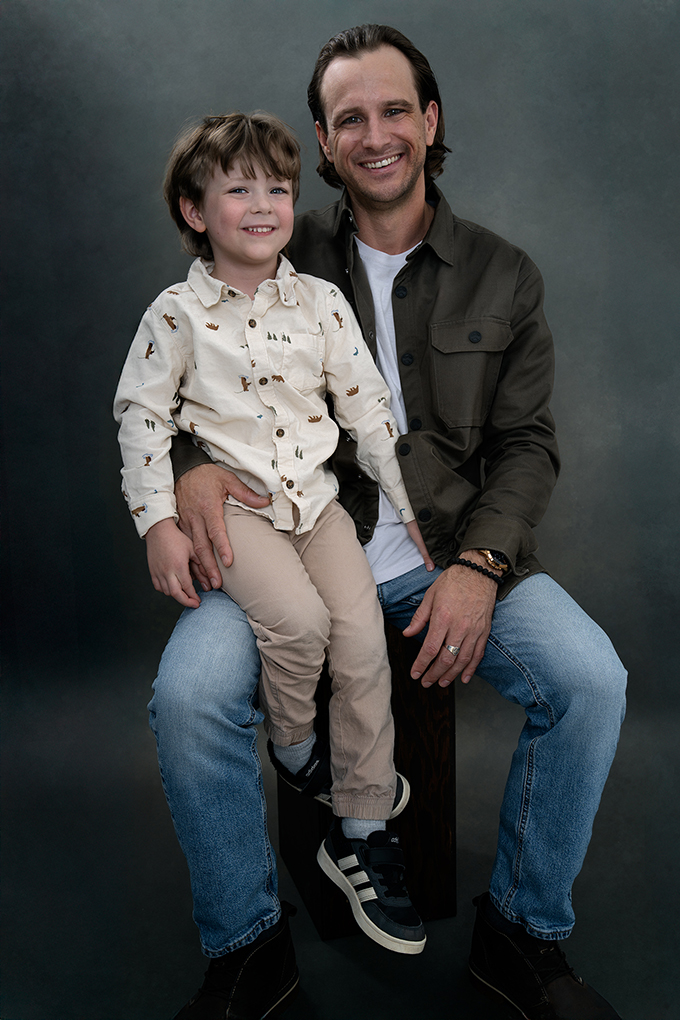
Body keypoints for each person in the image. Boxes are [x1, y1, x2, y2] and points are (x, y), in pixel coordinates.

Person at [152, 25, 627, 1020]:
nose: (376, 134)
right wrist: (191, 473)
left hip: (448, 551)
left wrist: (481, 564)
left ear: (429, 120)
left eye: (394, 109)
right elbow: (190, 373)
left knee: (588, 679)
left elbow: (526, 445)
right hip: (282, 546)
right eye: (349, 118)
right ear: (322, 144)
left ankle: (522, 938)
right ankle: (246, 952)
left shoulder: (503, 274)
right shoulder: (271, 241)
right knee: (191, 697)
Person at [114, 111, 430, 959]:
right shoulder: (176, 314)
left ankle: (362, 823)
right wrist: (156, 522)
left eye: (279, 189)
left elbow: (367, 413)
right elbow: (141, 419)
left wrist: (409, 512)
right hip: (241, 511)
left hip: (319, 504)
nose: (263, 205)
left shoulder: (321, 303)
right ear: (193, 209)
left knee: (363, 637)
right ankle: (295, 750)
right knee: (299, 625)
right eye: (238, 189)